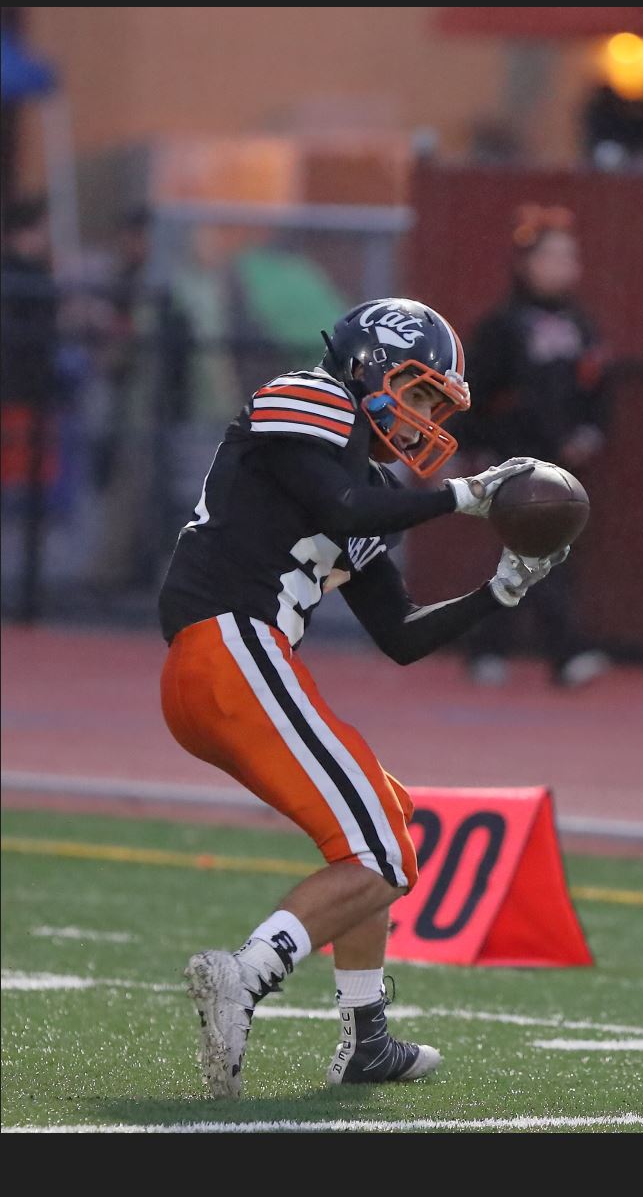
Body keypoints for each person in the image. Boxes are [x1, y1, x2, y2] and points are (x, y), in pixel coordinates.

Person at [158, 297, 570, 1097]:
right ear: (369, 364)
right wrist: (466, 495)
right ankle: (247, 973)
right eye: (419, 393)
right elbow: (341, 507)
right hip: (229, 646)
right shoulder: (308, 395)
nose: (424, 419)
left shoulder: (368, 477)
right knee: (380, 852)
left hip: (232, 667)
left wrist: (502, 590)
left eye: (435, 406)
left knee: (387, 821)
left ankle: (366, 1036)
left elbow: (400, 633)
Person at [454, 204, 612, 688]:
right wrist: (470, 448)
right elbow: (474, 392)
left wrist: (591, 432)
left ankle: (486, 646)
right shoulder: (502, 325)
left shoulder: (582, 326)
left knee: (535, 554)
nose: (565, 266)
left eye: (571, 257)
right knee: (539, 549)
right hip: (514, 460)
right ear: (527, 264)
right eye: (553, 256)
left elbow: (598, 388)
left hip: (563, 463)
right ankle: (567, 653)